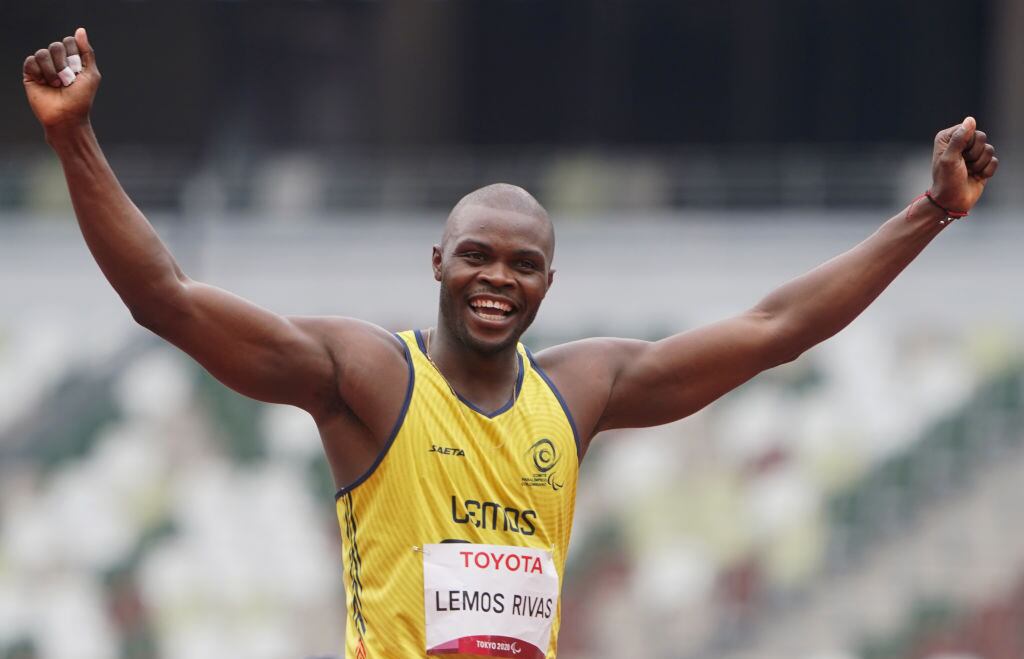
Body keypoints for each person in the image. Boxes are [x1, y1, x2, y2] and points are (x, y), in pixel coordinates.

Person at [24, 27, 999, 659]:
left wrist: (929, 213)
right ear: (438, 261)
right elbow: (166, 298)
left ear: (548, 282)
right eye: (478, 257)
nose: (499, 277)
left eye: (523, 263)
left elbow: (773, 328)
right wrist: (75, 138)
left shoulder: (580, 388)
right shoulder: (365, 375)